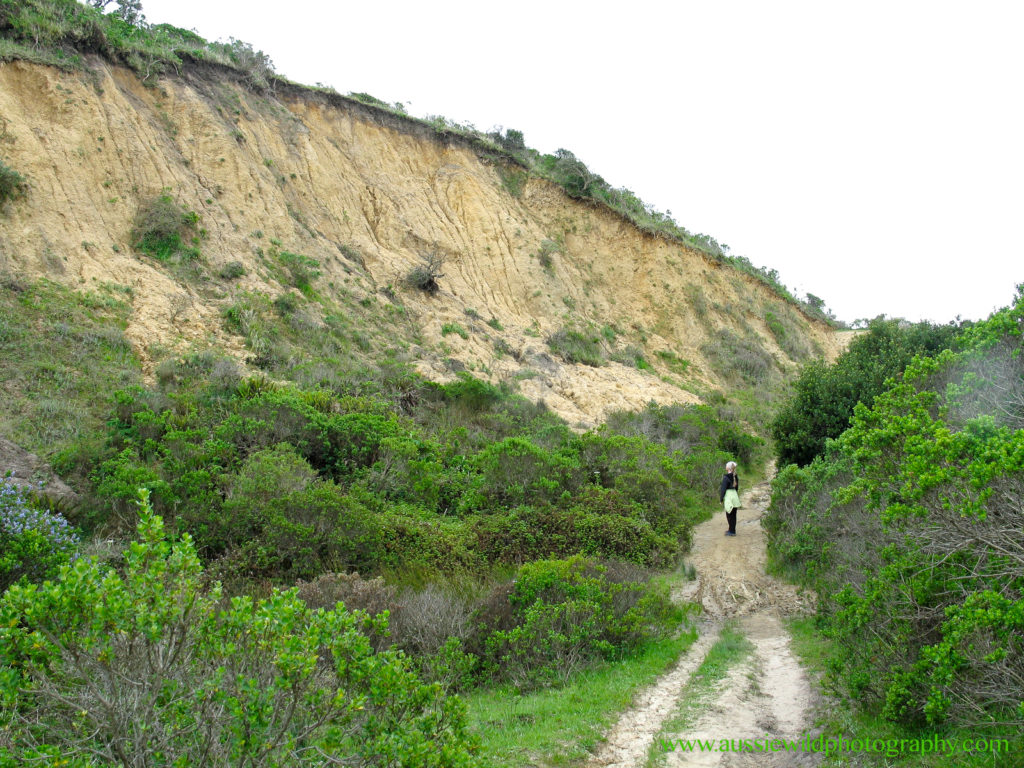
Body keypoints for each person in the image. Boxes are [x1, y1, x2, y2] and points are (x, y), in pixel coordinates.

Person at [719, 461, 740, 536]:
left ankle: (731, 531)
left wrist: (721, 499)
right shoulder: (735, 476)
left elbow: (723, 489)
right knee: (734, 514)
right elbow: (737, 488)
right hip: (735, 496)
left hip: (729, 496)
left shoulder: (726, 477)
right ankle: (732, 530)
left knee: (729, 514)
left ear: (728, 468)